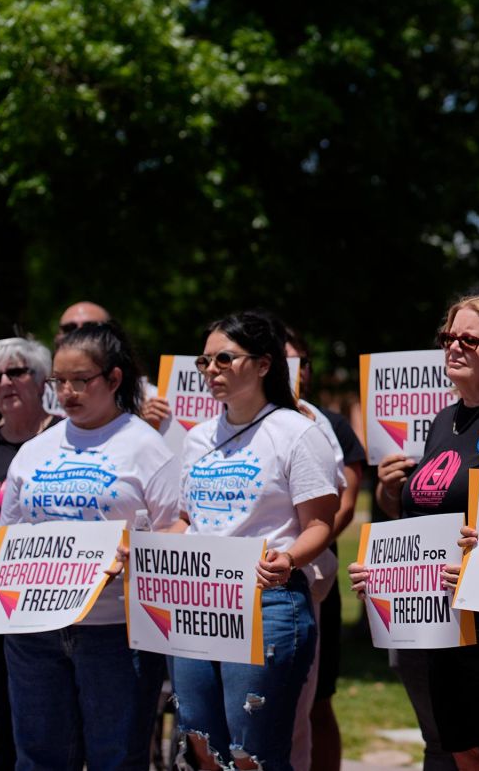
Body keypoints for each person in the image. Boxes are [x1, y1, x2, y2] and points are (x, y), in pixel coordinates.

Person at [351, 294, 479, 771]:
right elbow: (421, 523)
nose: (454, 347)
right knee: (463, 757)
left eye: (470, 338)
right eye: (448, 337)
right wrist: (381, 574)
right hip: (440, 630)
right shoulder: (444, 421)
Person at [0, 323, 180, 771]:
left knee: (115, 759)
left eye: (81, 381)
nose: (67, 393)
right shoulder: (36, 451)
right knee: (39, 759)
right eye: (59, 382)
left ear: (114, 379)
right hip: (33, 631)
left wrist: (144, 553)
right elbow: (8, 538)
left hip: (116, 632)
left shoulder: (147, 449)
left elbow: (178, 528)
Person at [169, 310, 339, 771]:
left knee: (252, 756)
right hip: (198, 602)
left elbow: (320, 525)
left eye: (224, 358)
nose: (211, 371)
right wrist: (149, 549)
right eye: (203, 362)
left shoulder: (297, 432)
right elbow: (188, 519)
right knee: (202, 747)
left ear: (264, 364)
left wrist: (287, 558)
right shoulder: (197, 439)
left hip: (269, 603)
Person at [0, 337, 55, 771]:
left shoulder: (69, 440)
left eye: (16, 372)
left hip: (55, 613)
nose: (4, 382)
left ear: (42, 381)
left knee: (50, 742)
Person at [286, 328, 365, 771]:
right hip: (250, 584)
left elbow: (346, 505)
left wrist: (298, 549)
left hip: (313, 582)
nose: (287, 371)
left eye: (296, 362)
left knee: (317, 702)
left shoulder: (330, 426)